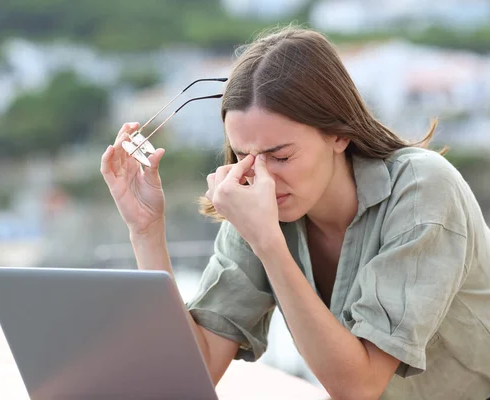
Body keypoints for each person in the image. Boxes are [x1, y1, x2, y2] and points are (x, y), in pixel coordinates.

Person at [100, 25, 490, 400]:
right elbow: (194, 372)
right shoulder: (256, 199)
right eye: (242, 156)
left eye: (281, 156)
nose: (259, 176)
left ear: (339, 134)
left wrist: (268, 242)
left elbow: (359, 387)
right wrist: (146, 231)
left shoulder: (423, 190)